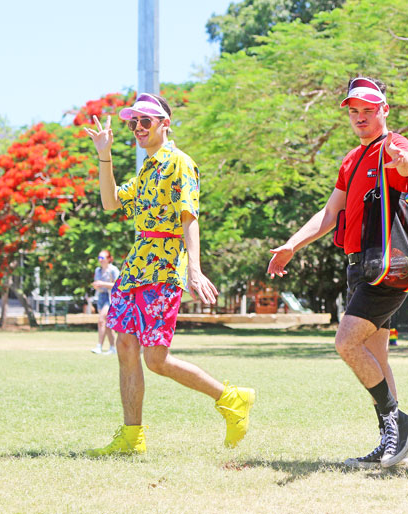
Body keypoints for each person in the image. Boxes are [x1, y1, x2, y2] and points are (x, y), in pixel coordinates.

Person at [83, 93, 255, 456]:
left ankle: (231, 399)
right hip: (135, 267)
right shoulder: (146, 168)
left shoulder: (180, 163)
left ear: (165, 123)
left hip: (164, 266)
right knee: (126, 346)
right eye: (134, 122)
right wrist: (105, 155)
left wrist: (194, 268)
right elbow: (111, 201)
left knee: (156, 359)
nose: (138, 128)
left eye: (147, 121)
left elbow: (189, 215)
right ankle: (132, 438)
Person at [267, 77, 408, 469]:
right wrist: (291, 245)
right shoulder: (351, 160)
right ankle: (391, 444)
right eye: (354, 111)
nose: (361, 117)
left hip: (386, 267)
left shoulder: (392, 145)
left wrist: (401, 162)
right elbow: (330, 214)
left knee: (347, 343)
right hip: (358, 268)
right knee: (376, 357)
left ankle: (397, 423)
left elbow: (407, 163)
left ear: (384, 109)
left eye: (369, 109)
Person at [90, 250, 120, 355]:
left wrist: (103, 283)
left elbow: (118, 285)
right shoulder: (98, 270)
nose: (100, 260)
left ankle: (99, 346)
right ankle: (113, 347)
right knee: (108, 324)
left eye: (102, 258)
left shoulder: (113, 270)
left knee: (101, 320)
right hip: (101, 297)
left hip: (111, 297)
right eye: (99, 258)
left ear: (108, 259)